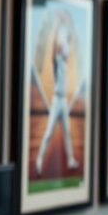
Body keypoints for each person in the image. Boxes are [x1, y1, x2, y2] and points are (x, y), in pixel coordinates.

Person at [35, 11, 79, 176]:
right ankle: (39, 160)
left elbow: (69, 39)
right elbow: (55, 44)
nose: (65, 47)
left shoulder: (65, 63)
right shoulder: (57, 60)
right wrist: (57, 24)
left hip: (64, 101)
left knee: (67, 133)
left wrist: (67, 23)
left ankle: (71, 160)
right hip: (57, 100)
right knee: (48, 133)